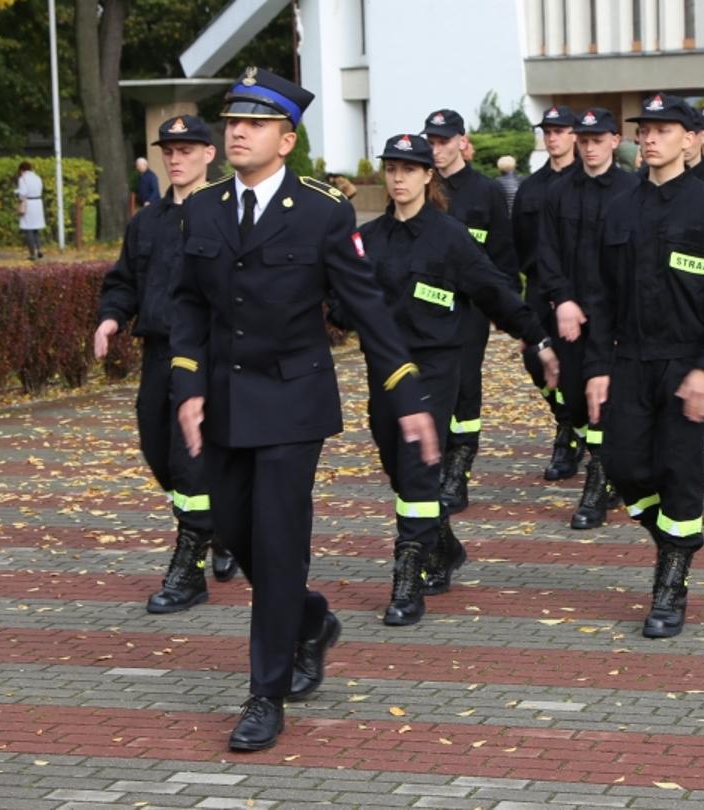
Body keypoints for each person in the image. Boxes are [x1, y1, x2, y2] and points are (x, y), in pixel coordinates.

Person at [169, 68, 439, 753]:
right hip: (225, 400)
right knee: (234, 532)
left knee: (279, 540)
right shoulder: (200, 211)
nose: (237, 132)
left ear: (286, 139)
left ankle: (266, 693)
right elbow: (189, 305)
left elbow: (368, 307)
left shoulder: (323, 213)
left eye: (254, 124)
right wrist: (189, 386)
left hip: (293, 401)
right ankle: (311, 617)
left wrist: (406, 393)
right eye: (232, 121)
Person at [356, 133, 558, 626]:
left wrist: (538, 339)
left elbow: (494, 291)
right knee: (397, 466)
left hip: (436, 366)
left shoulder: (450, 236)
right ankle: (442, 545)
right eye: (392, 168)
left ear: (430, 175)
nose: (399, 177)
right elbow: (345, 296)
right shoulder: (370, 238)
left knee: (419, 466)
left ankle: (409, 574)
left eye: (409, 168)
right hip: (385, 369)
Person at [581, 92, 704, 638]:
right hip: (628, 360)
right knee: (624, 465)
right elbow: (600, 294)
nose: (650, 138)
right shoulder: (621, 207)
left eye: (663, 129)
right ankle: (672, 540)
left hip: (687, 362)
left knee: (681, 470)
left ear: (691, 138)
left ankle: (671, 582)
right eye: (644, 130)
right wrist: (599, 366)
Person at [94, 114, 235, 615]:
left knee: (188, 461)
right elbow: (124, 280)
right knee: (158, 453)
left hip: (203, 357)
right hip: (156, 354)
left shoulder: (226, 213)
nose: (175, 159)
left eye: (186, 150)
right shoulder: (147, 220)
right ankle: (219, 525)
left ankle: (188, 566)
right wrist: (111, 319)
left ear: (208, 154)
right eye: (168, 151)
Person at [536, 107, 640, 530]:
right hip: (572, 316)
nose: (590, 147)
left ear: (615, 141)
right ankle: (607, 464)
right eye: (584, 140)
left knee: (606, 403)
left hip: (616, 317)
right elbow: (546, 253)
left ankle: (598, 485)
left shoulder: (633, 191)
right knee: (576, 401)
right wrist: (562, 300)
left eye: (598, 139)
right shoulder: (557, 192)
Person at [421, 109, 515, 516]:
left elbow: (502, 255)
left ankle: (458, 469)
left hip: (470, 309)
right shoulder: (421, 184)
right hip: (425, 305)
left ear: (462, 141)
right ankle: (433, 462)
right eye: (432, 142)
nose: (437, 149)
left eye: (443, 141)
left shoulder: (486, 192)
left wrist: (505, 306)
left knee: (464, 389)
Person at [516, 105, 585, 482]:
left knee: (575, 365)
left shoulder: (586, 181)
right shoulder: (530, 187)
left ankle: (572, 435)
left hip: (576, 290)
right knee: (535, 359)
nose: (553, 137)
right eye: (548, 131)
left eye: (560, 130)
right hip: (538, 289)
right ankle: (566, 422)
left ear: (574, 135)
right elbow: (517, 243)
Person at [15, 161, 45, 260]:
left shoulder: (23, 179)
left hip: (29, 204)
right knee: (36, 229)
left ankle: (32, 253)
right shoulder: (37, 178)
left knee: (28, 229)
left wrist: (16, 192)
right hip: (38, 203)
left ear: (21, 170)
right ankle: (40, 249)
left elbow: (23, 193)